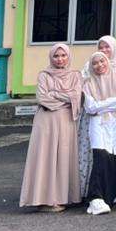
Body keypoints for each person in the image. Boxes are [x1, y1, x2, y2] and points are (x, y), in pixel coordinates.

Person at [20, 44, 82, 212]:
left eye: (63, 55)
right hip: (46, 122)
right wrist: (66, 97)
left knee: (62, 157)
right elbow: (42, 98)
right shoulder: (44, 75)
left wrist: (54, 93)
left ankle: (60, 198)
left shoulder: (75, 75)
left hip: (65, 122)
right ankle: (43, 199)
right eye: (56, 56)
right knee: (44, 158)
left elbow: (76, 96)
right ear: (51, 57)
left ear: (68, 56)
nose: (60, 59)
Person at [80, 51, 116, 215]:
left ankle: (110, 195)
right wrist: (113, 102)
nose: (99, 65)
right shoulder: (88, 84)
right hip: (99, 125)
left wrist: (102, 103)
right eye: (95, 63)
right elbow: (90, 108)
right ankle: (95, 197)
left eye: (102, 61)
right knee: (101, 159)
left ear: (108, 62)